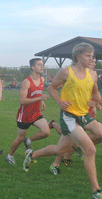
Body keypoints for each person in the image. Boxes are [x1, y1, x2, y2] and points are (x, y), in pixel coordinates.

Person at [23, 43, 102, 198]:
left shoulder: (92, 74)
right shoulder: (66, 72)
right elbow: (51, 88)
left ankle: (32, 155)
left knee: (60, 150)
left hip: (84, 116)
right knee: (90, 150)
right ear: (78, 57)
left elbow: (96, 95)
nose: (91, 58)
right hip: (69, 117)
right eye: (88, 55)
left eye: (92, 56)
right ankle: (96, 190)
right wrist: (59, 102)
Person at [5, 58, 50, 165]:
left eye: (42, 65)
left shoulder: (42, 80)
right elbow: (22, 101)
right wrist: (39, 99)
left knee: (46, 132)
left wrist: (41, 102)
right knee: (20, 138)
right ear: (32, 67)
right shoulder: (27, 82)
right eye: (39, 65)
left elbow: (38, 94)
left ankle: (28, 141)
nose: (42, 67)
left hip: (36, 113)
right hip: (24, 115)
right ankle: (9, 155)